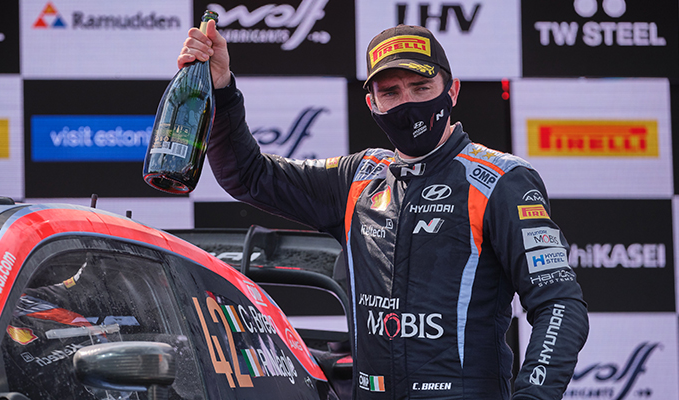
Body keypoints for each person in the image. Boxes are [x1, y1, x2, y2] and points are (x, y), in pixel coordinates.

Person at [178, 21, 589, 400]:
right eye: (390, 92)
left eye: (420, 87)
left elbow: (560, 304)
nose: (406, 102)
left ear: (453, 90)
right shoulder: (357, 177)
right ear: (372, 101)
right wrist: (222, 90)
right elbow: (247, 176)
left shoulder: (501, 180)